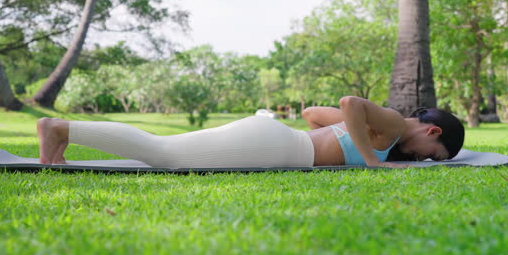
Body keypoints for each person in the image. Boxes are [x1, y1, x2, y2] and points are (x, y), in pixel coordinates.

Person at [37, 96, 464, 169]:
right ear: (431, 129)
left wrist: (348, 138)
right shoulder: (392, 126)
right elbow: (351, 103)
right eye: (434, 152)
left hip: (279, 139)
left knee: (164, 151)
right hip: (278, 144)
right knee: (164, 155)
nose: (427, 159)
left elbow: (315, 113)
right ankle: (59, 129)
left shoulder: (381, 132)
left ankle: (60, 135)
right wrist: (370, 159)